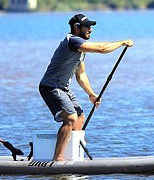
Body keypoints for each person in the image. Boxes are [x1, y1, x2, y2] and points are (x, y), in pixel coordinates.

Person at [38, 13, 133, 161]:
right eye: (87, 26)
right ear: (76, 28)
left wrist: (91, 94)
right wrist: (122, 43)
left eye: (91, 27)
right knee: (70, 118)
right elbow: (102, 48)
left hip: (63, 87)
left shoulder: (80, 49)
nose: (90, 29)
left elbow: (81, 75)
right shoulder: (73, 41)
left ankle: (73, 155)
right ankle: (58, 158)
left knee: (79, 118)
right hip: (50, 87)